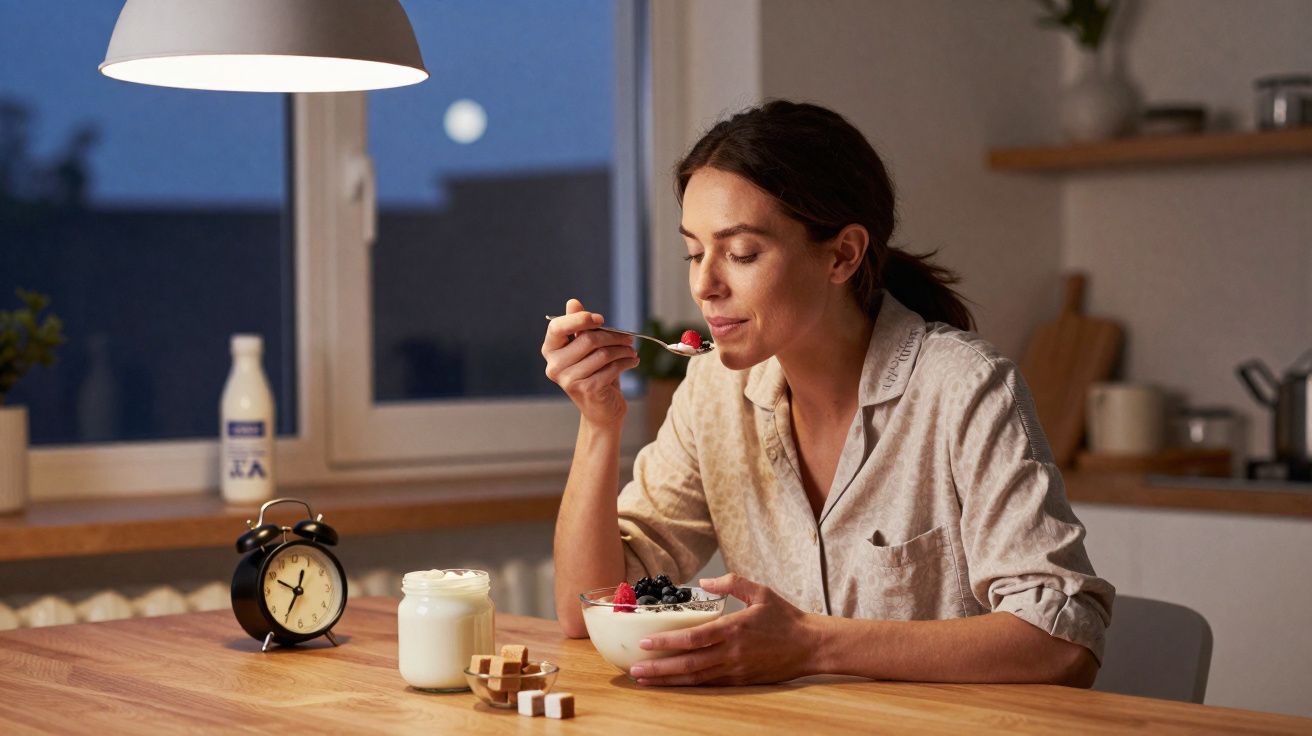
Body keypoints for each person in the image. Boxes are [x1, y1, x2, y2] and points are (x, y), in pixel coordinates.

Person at [541, 100, 1113, 687]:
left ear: (842, 255)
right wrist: (599, 421)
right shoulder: (713, 391)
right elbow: (588, 607)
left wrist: (812, 645)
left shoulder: (963, 387)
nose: (704, 284)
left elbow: (1065, 643)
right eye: (694, 252)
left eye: (741, 254)